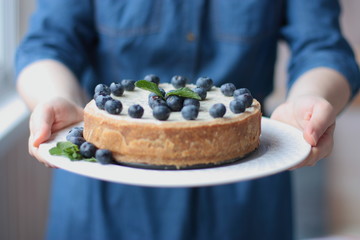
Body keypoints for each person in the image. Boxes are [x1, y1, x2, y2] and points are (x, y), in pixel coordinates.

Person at [15, 1, 360, 239]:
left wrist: (309, 99)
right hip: (105, 197)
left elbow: (323, 46)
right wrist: (53, 97)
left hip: (243, 199)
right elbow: (47, 43)